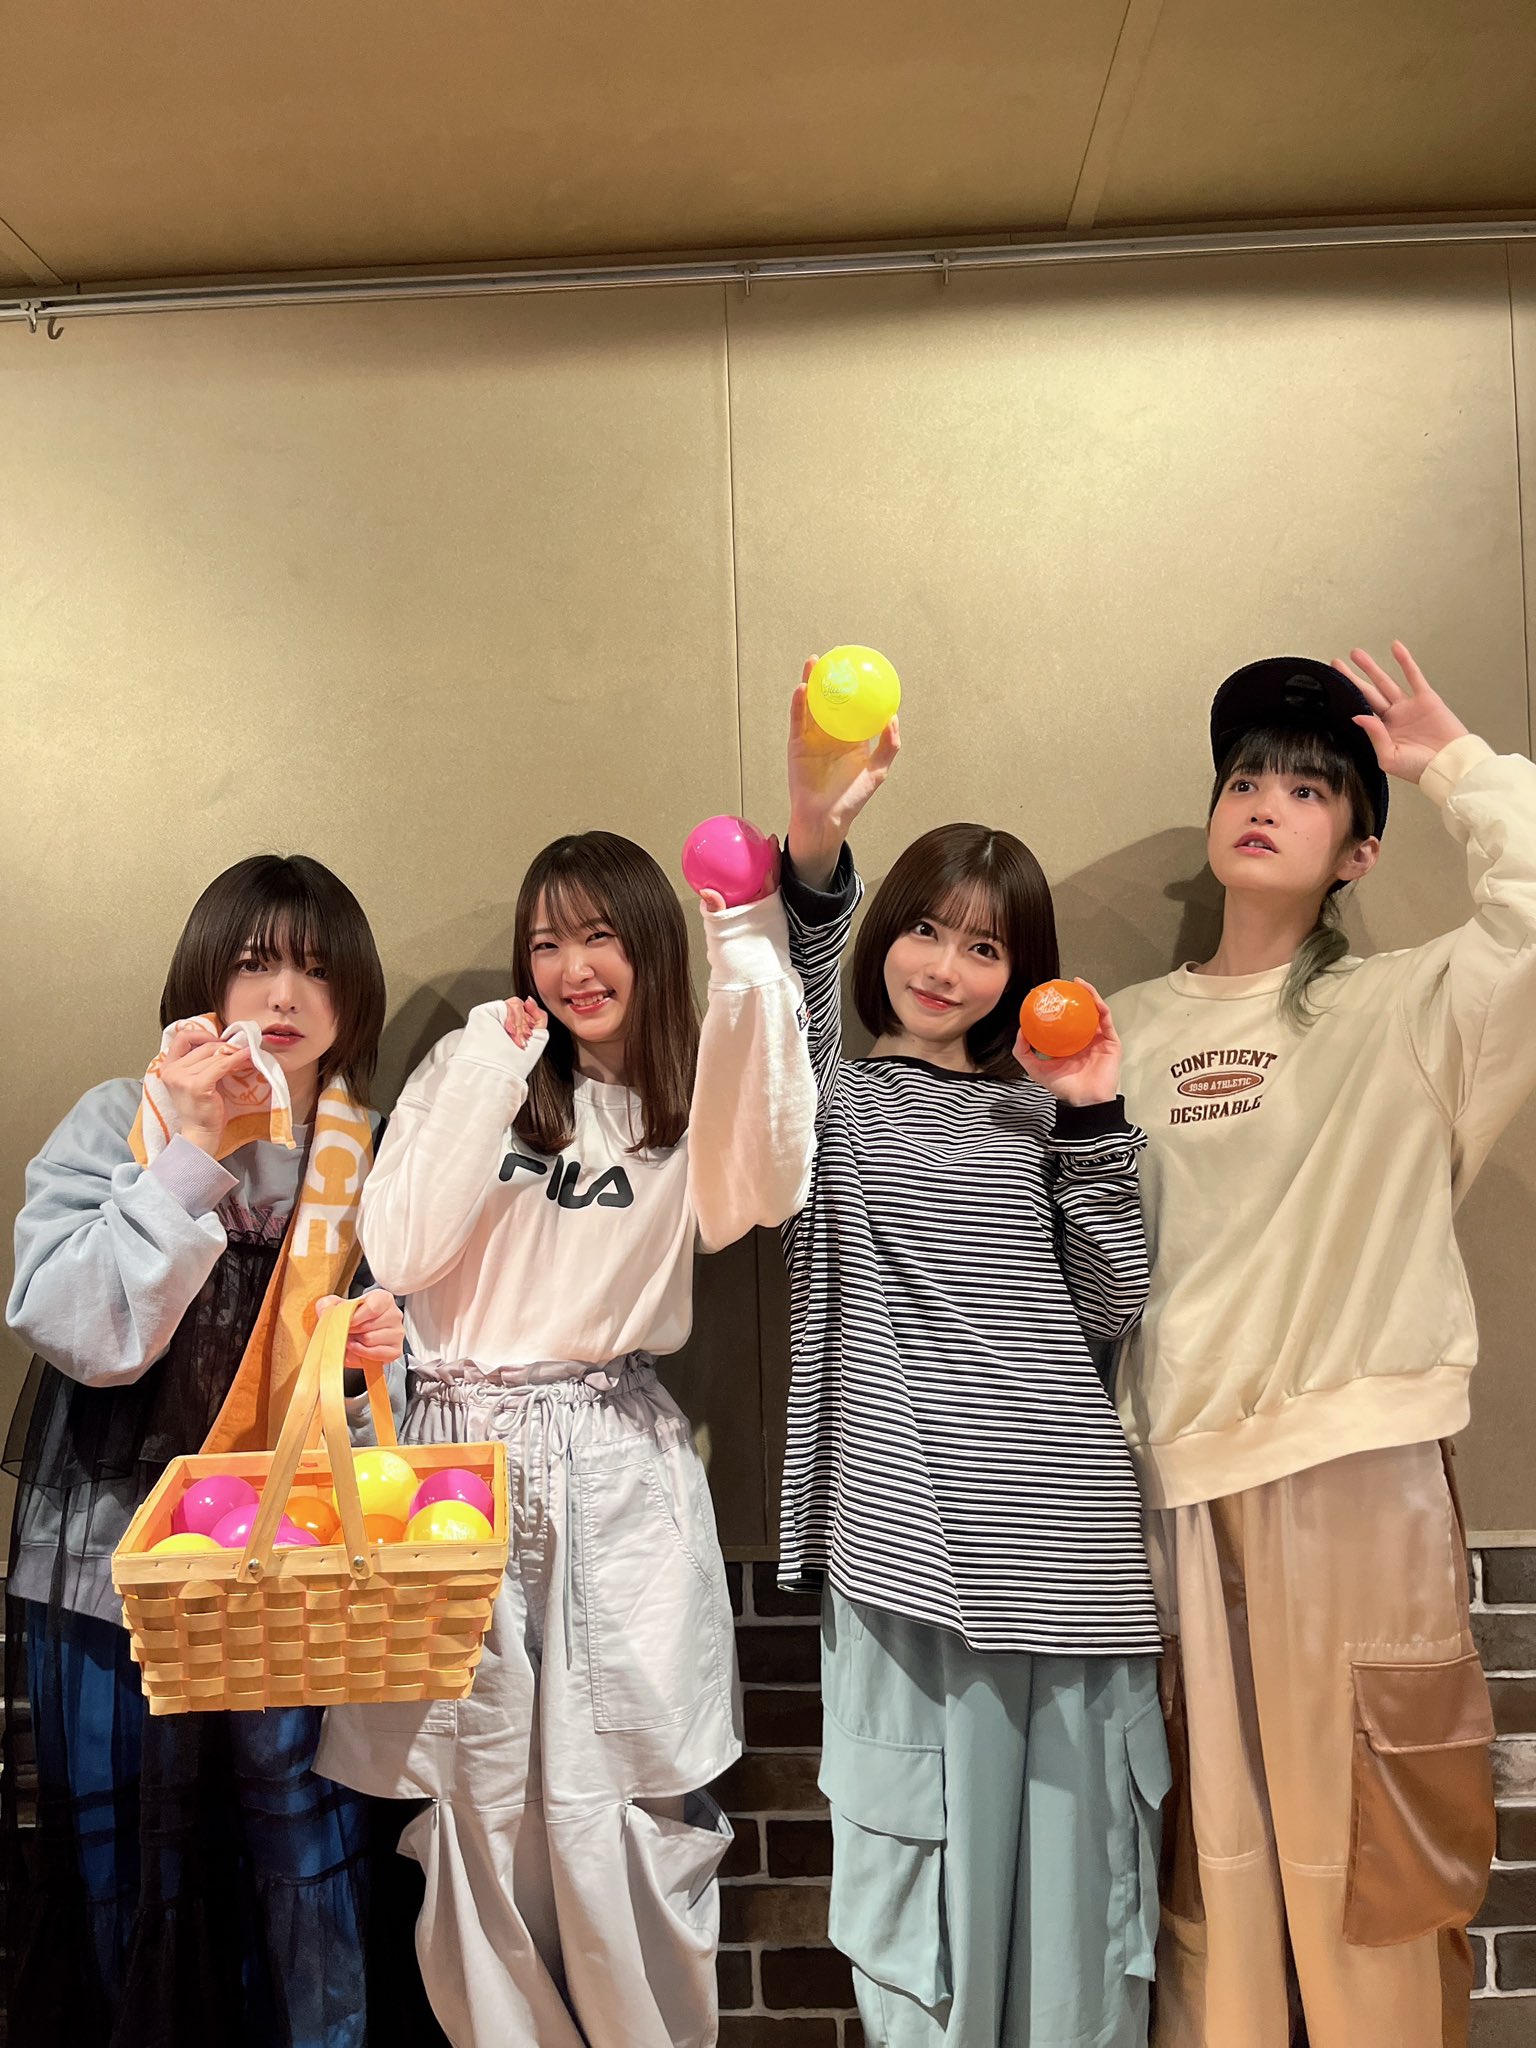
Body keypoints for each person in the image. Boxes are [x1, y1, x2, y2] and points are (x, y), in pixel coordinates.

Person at [316, 827, 817, 2048]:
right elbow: (403, 1244)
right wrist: (495, 1060)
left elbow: (768, 1182)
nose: (572, 966)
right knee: (472, 1796)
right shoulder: (474, 1059)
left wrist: (747, 941)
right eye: (547, 941)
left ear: (649, 942)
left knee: (627, 1791)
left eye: (599, 936)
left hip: (612, 1452)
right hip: (452, 1459)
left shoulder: (679, 1101)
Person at [1110, 644, 1536, 2048]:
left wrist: (1453, 765)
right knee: (1212, 1874)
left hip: (1359, 1471)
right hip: (1179, 1491)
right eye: (1247, 778)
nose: (1265, 802)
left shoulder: (1416, 1004)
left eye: (1308, 789)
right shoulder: (1122, 1032)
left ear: (1358, 851)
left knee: (1376, 1864)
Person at [770, 670, 1167, 2048]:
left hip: (1074, 1553)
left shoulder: (1038, 1114)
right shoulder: (826, 1100)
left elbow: (1112, 1299)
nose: (944, 965)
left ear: (1025, 973)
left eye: (984, 946)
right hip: (908, 1554)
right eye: (926, 929)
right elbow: (790, 989)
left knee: (1082, 1951)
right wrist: (815, 828)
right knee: (923, 1943)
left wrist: (1095, 1119)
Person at [3, 852, 404, 2048]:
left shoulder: (377, 1152)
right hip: (112, 1559)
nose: (283, 993)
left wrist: (379, 1352)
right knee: (123, 1842)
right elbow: (70, 1324)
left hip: (296, 1563)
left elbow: (405, 1399)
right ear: (206, 983)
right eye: (253, 962)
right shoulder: (117, 1116)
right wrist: (184, 1147)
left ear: (353, 994)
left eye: (316, 967)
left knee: (299, 1838)